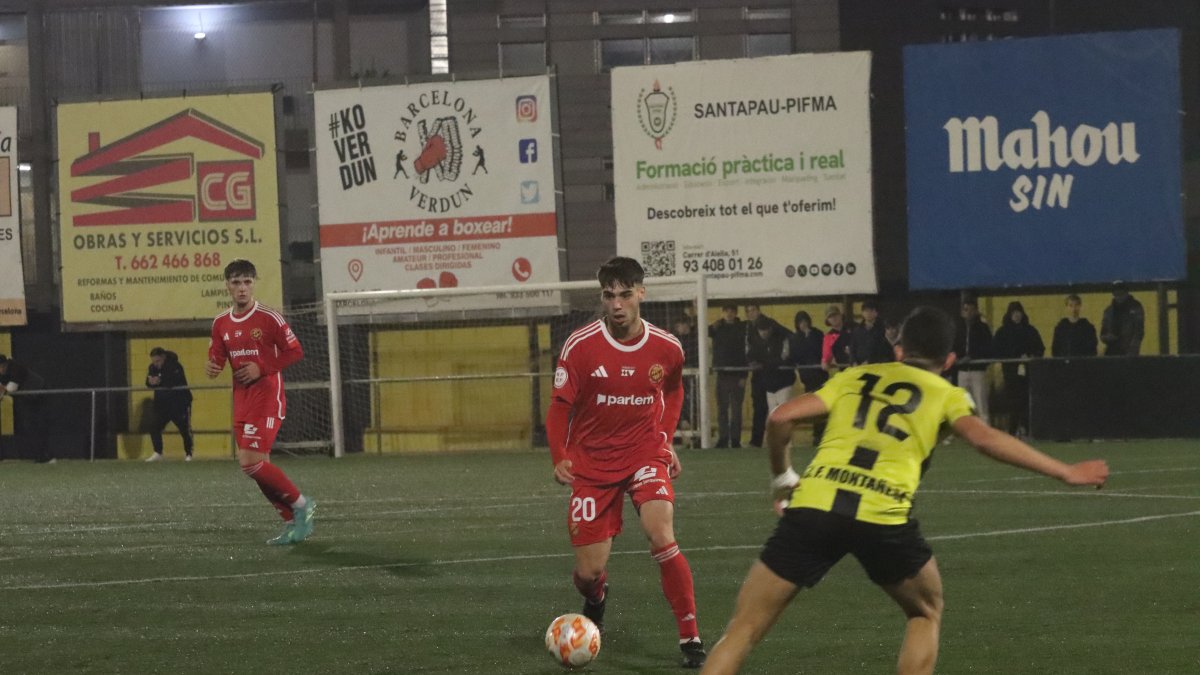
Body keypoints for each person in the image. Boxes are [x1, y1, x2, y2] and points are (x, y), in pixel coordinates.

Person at [700, 307, 1109, 675]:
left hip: (815, 506)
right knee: (924, 611)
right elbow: (984, 439)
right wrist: (1066, 471)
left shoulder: (854, 376)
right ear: (949, 361)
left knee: (745, 628)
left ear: (898, 350)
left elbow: (781, 417)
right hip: (883, 517)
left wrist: (783, 477)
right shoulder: (946, 394)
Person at [547, 256, 707, 668]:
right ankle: (597, 594)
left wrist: (665, 440)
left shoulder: (666, 347)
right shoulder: (580, 347)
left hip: (643, 455)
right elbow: (559, 408)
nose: (616, 304)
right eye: (608, 295)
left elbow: (673, 392)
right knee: (587, 572)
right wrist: (560, 456)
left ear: (641, 293)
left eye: (624, 294)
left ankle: (691, 638)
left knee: (661, 533)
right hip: (593, 465)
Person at [206, 259, 316, 546]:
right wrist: (214, 366)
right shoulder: (220, 323)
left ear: (253, 283)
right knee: (259, 469)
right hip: (242, 401)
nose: (242, 288)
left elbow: (295, 351)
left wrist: (261, 367)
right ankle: (292, 523)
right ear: (227, 285)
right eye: (236, 282)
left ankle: (302, 503)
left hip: (267, 398)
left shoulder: (269, 317)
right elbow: (218, 354)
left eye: (247, 282)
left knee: (249, 463)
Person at [991, 301, 1045, 437]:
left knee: (1026, 400)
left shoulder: (1030, 331)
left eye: (1018, 312)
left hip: (1028, 372)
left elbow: (1040, 348)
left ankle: (1026, 428)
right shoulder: (1002, 332)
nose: (1017, 315)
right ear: (1009, 314)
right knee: (1013, 401)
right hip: (1010, 373)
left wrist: (1030, 356)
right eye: (1014, 313)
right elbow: (996, 351)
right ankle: (1013, 429)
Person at [145, 347, 195, 462]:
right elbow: (148, 382)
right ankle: (158, 452)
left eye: (157, 361)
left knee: (184, 429)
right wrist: (151, 381)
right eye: (153, 361)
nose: (155, 364)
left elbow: (174, 381)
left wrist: (160, 381)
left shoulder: (175, 366)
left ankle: (189, 453)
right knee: (154, 426)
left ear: (163, 357)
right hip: (162, 405)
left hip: (179, 404)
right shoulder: (152, 367)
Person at [0, 354, 51, 463]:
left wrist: (2, 388)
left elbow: (11, 388)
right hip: (27, 399)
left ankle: (44, 457)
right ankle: (39, 456)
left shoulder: (15, 368)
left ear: (3, 365)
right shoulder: (4, 372)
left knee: (38, 425)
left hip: (39, 395)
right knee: (29, 426)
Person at [786, 311, 827, 446]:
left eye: (805, 321)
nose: (803, 324)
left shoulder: (817, 334)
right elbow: (794, 356)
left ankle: (821, 434)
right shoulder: (795, 338)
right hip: (806, 377)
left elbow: (822, 352)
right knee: (812, 408)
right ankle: (816, 434)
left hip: (819, 375)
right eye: (800, 322)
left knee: (822, 406)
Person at [709, 304, 747, 448]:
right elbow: (703, 331)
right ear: (723, 312)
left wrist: (744, 375)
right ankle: (723, 438)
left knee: (737, 410)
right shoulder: (718, 327)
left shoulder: (742, 328)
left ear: (736, 313)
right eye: (727, 311)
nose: (729, 314)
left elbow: (745, 352)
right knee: (722, 409)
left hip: (738, 374)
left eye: (732, 311)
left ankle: (736, 439)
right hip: (722, 375)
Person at [744, 305, 782, 448]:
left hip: (770, 376)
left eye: (753, 310)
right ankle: (757, 440)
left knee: (772, 409)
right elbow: (749, 351)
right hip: (759, 377)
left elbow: (785, 336)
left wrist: (764, 363)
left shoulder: (770, 325)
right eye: (748, 311)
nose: (751, 313)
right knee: (759, 409)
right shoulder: (748, 328)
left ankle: (769, 439)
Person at [952, 298, 992, 424]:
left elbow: (988, 348)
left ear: (975, 311)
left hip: (977, 370)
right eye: (965, 310)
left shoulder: (983, 328)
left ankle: (986, 429)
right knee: (963, 403)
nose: (967, 313)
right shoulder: (958, 329)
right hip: (962, 371)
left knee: (980, 403)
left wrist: (973, 357)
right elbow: (953, 346)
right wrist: (957, 359)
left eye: (970, 310)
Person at [749, 314, 795, 420]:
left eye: (765, 329)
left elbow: (784, 358)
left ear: (770, 329)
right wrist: (752, 362)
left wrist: (763, 364)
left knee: (783, 415)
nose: (763, 332)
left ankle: (783, 436)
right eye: (761, 330)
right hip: (770, 385)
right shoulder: (757, 342)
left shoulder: (781, 339)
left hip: (783, 382)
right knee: (773, 416)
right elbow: (751, 355)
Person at [672, 314, 700, 447]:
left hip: (692, 380)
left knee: (693, 406)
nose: (679, 328)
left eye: (680, 325)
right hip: (678, 380)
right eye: (677, 326)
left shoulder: (694, 339)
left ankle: (695, 436)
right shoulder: (675, 340)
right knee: (678, 406)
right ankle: (678, 436)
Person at [1100, 284, 1144, 356]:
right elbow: (1103, 334)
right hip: (1112, 352)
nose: (1119, 297)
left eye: (1121, 293)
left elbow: (1138, 332)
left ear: (1126, 293)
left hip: (1128, 352)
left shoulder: (1135, 307)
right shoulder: (1109, 311)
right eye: (1116, 294)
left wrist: (1132, 351)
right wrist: (1108, 337)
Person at [850, 300, 893, 365]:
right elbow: (853, 347)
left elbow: (884, 349)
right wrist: (853, 361)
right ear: (862, 313)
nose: (868, 313)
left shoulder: (882, 328)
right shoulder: (857, 330)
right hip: (859, 366)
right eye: (866, 311)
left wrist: (870, 361)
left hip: (878, 365)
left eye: (871, 311)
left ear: (876, 313)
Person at [820, 304, 853, 371]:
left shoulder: (854, 327)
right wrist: (825, 362)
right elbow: (826, 356)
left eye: (835, 315)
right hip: (845, 370)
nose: (834, 318)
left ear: (840, 315)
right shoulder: (828, 337)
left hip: (861, 367)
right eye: (830, 317)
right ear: (828, 320)